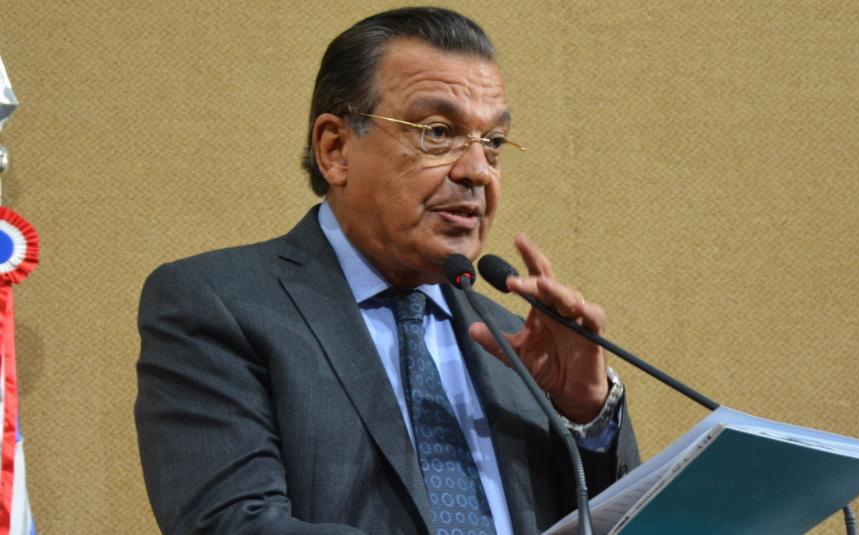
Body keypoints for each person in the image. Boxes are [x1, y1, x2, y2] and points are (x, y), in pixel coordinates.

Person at [135, 7, 638, 535]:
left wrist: (586, 412)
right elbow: (231, 524)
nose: (477, 172)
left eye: (492, 143)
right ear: (335, 150)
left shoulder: (513, 343)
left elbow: (621, 520)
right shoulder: (220, 304)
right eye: (437, 131)